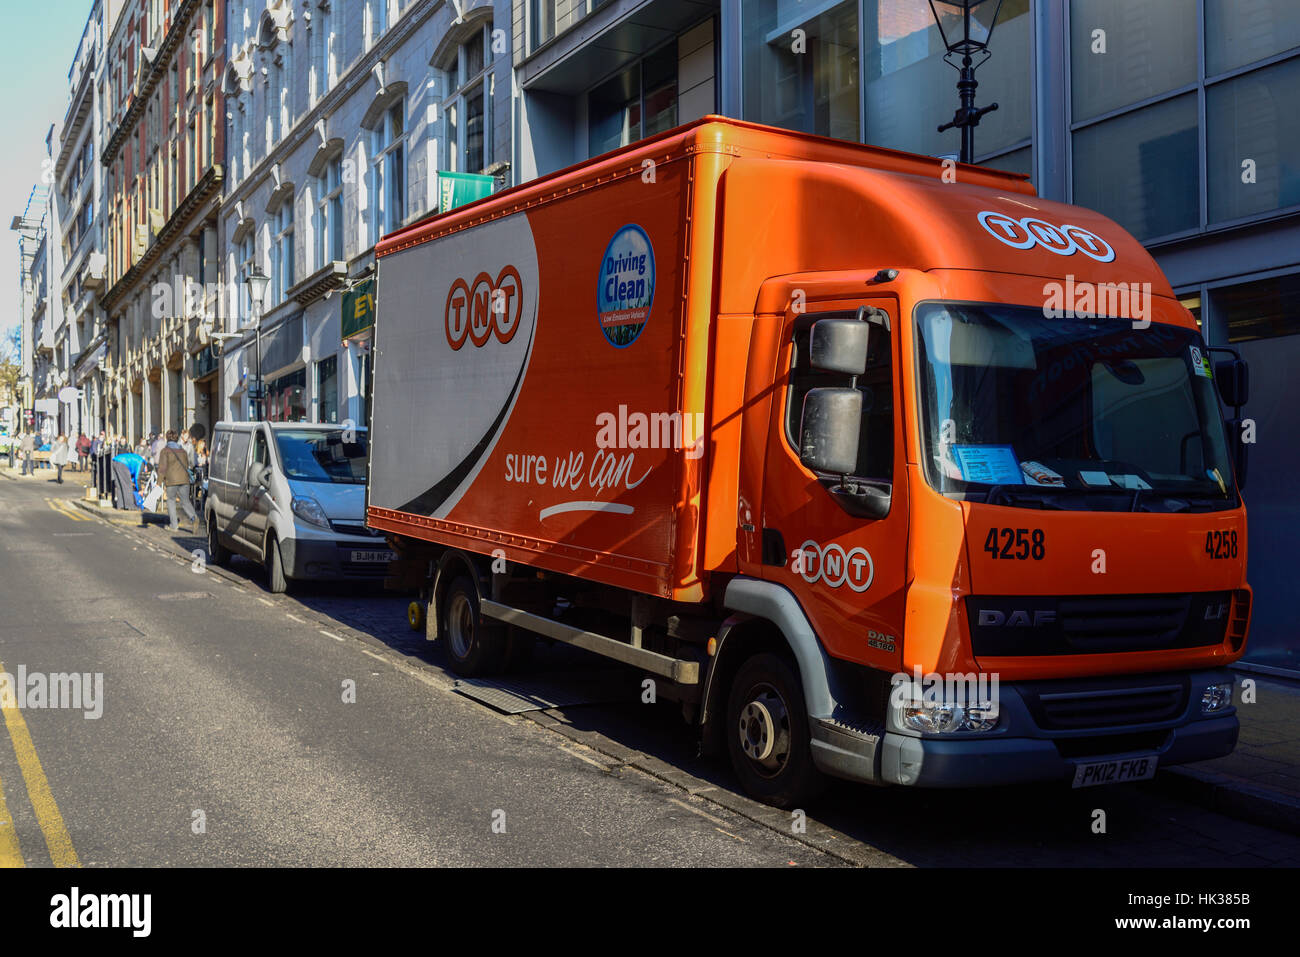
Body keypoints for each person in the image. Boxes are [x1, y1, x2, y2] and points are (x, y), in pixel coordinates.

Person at [158, 430, 198, 532]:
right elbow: (188, 464)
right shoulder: (183, 451)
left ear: (167, 438)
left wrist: (159, 482)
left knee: (171, 501)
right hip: (184, 480)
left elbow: (162, 468)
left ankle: (174, 525)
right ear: (176, 439)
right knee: (185, 501)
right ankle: (194, 518)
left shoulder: (165, 451)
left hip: (171, 480)